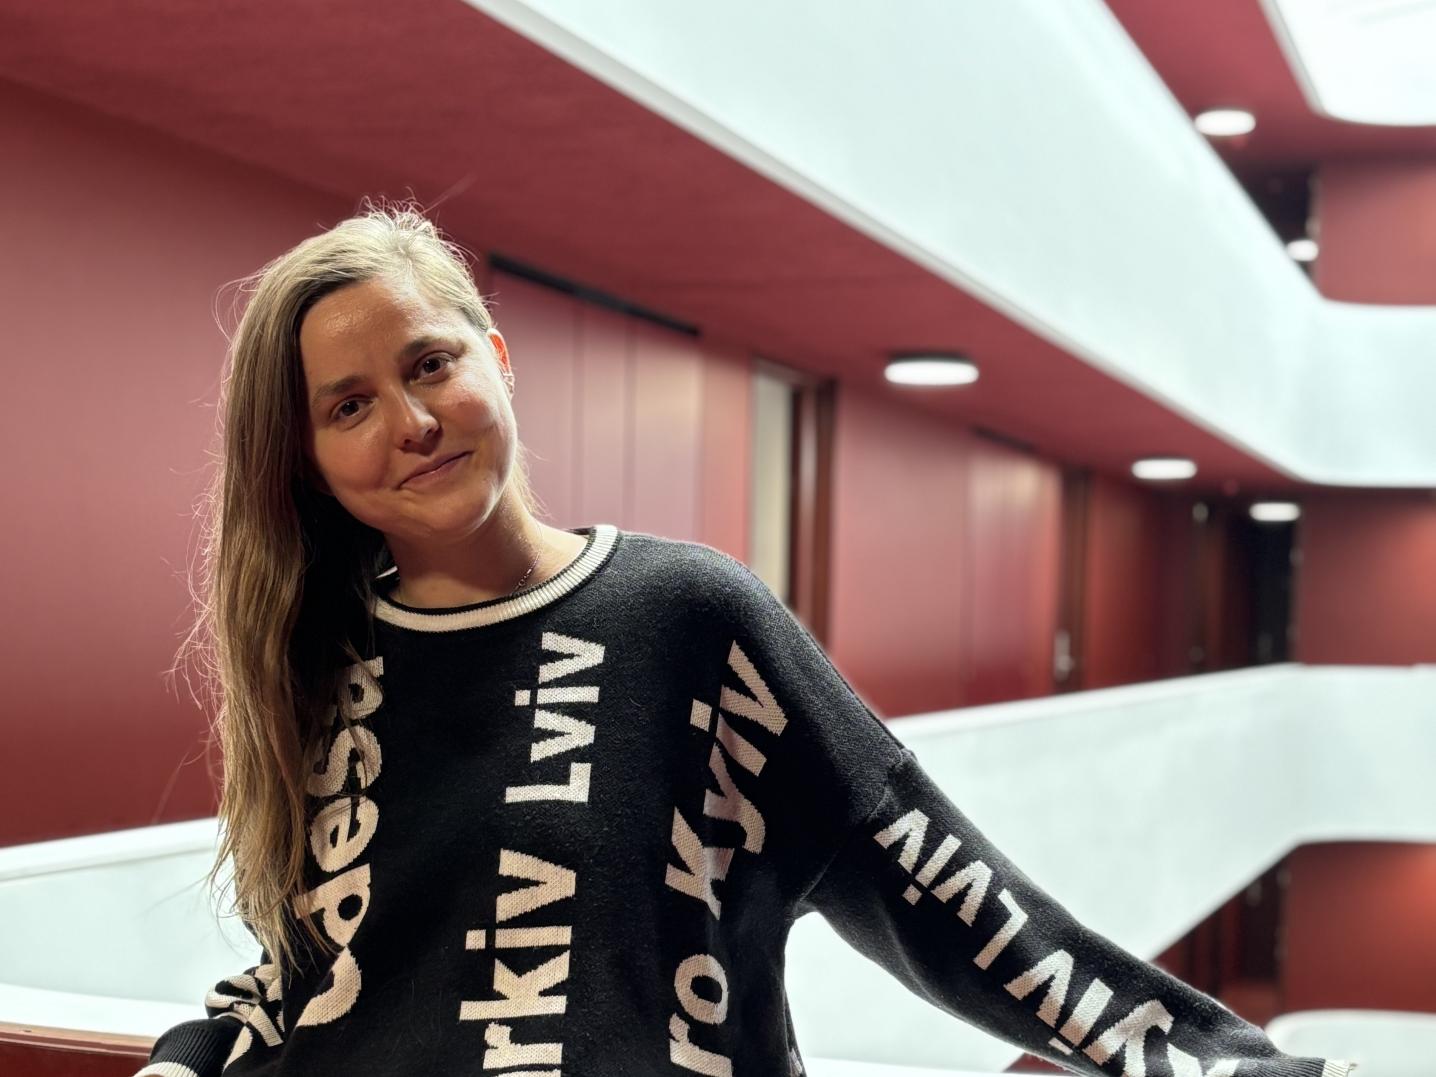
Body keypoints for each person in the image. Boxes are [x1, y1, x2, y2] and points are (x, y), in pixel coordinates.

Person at [135, 202, 1356, 1077]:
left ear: (495, 363)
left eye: (431, 364)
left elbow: (939, 889)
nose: (408, 422)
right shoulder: (325, 669)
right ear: (309, 462)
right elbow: (310, 977)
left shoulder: (685, 616)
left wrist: (1214, 1060)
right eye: (348, 406)